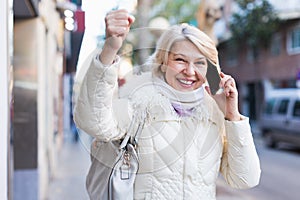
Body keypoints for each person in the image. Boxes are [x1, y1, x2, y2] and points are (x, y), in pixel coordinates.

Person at [73, 9, 261, 200]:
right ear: (163, 62)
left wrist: (233, 116)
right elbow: (92, 121)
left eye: (200, 63)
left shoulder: (213, 114)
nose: (190, 71)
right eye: (180, 60)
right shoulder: (139, 105)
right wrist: (110, 49)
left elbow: (245, 179)